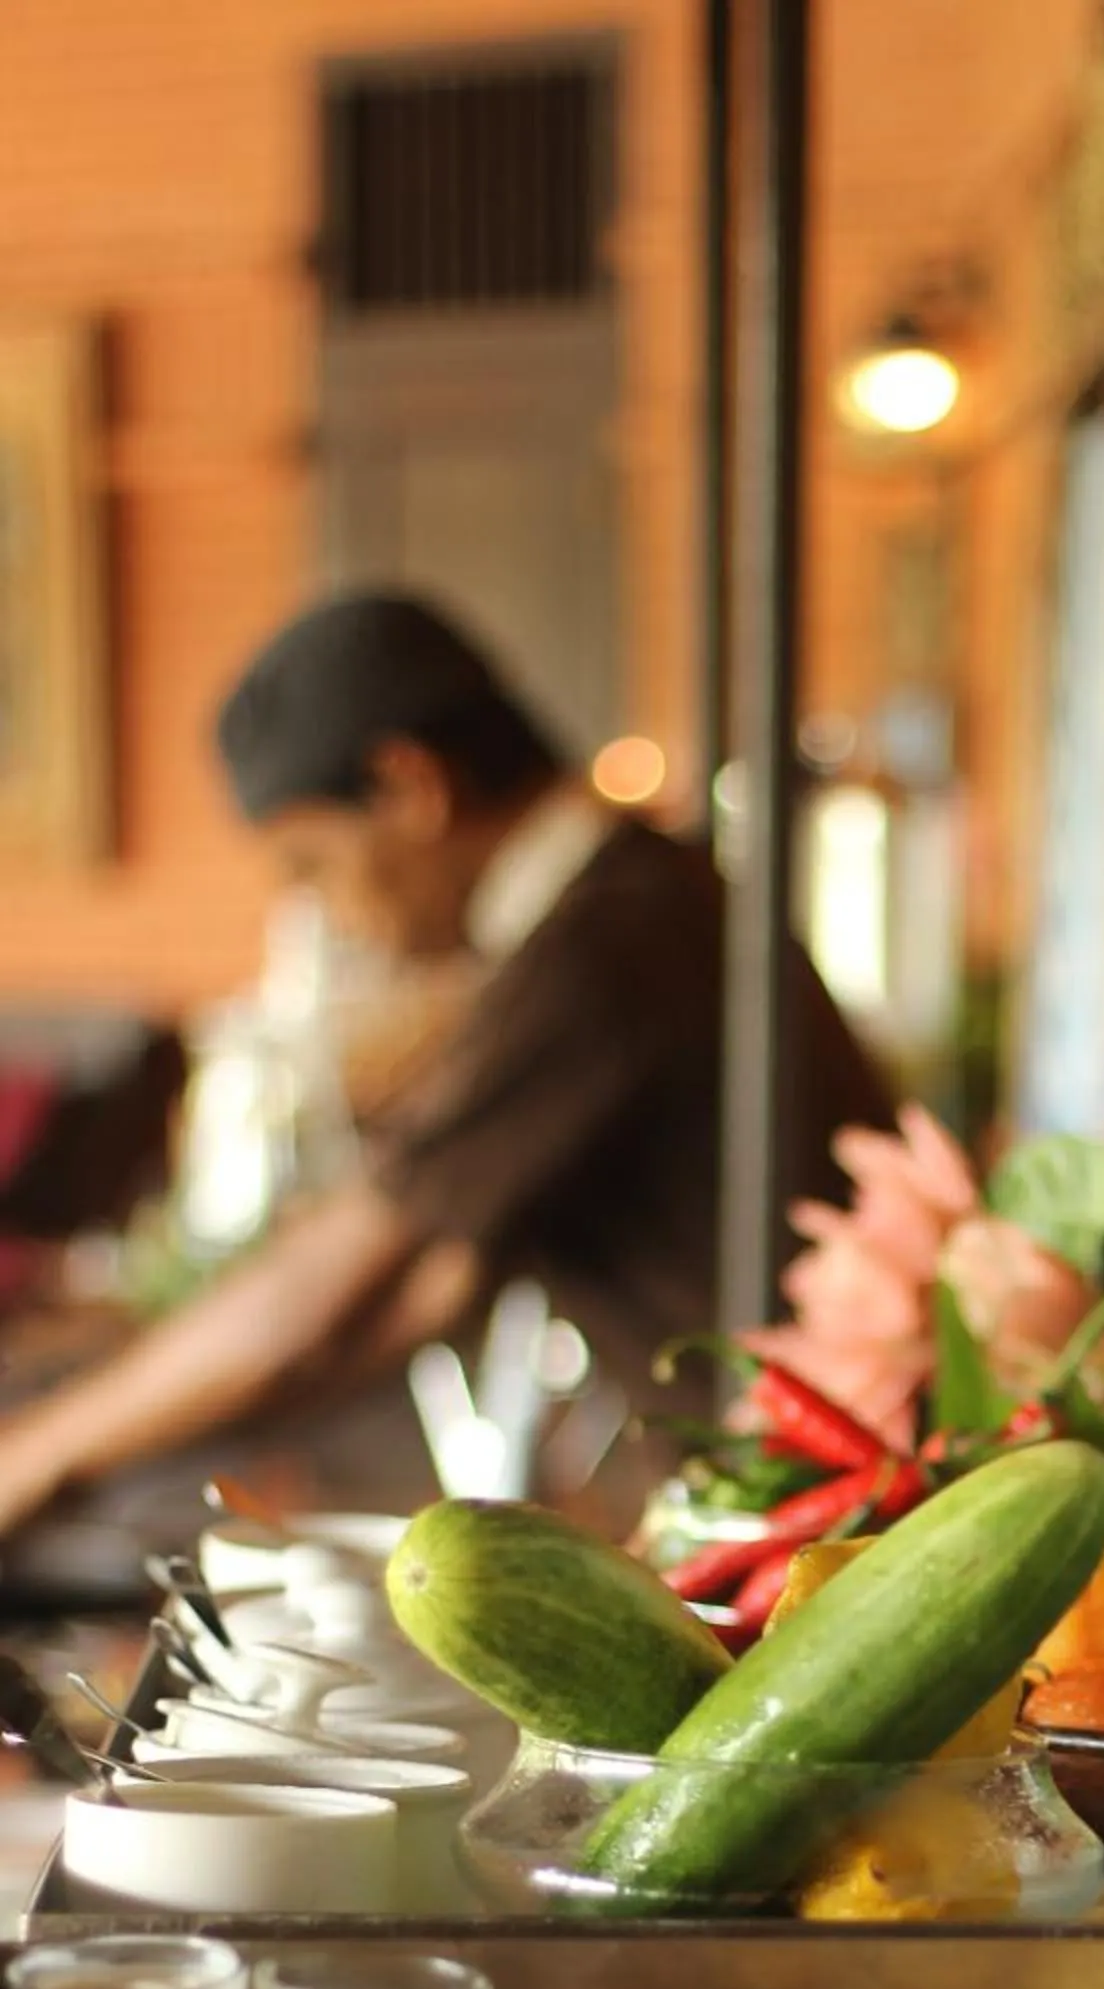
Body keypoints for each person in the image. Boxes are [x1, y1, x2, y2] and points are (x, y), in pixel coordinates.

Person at [0, 592, 892, 1535]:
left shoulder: (609, 943)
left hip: (830, 1515)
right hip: (785, 1496)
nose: (330, 914)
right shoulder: (617, 908)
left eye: (312, 864)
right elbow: (417, 1296)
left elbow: (332, 1284)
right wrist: (103, 1416)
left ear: (409, 788)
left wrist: (43, 1450)